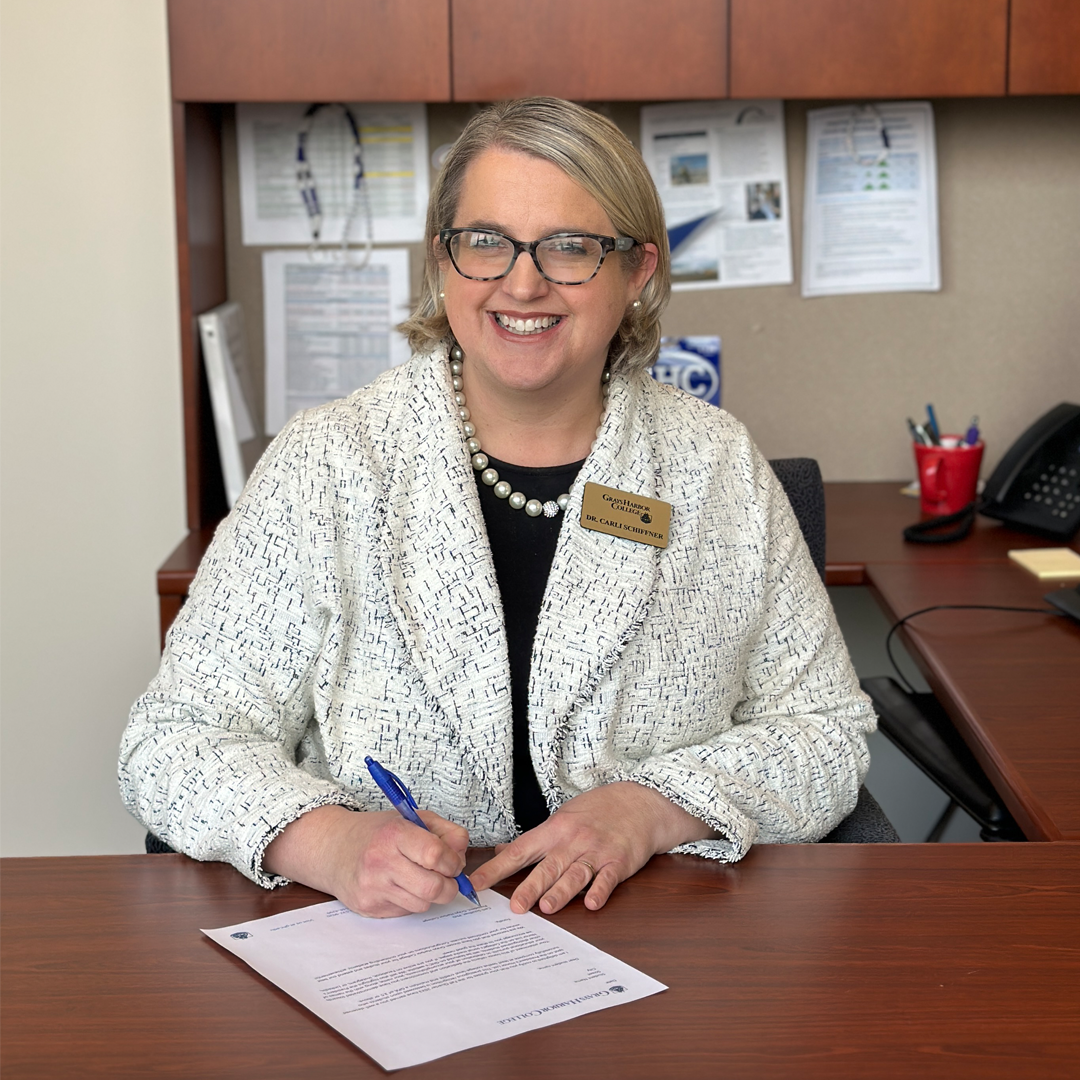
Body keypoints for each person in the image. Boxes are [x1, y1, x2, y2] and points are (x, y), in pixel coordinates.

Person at [119, 97, 874, 920]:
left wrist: (650, 808)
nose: (522, 282)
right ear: (444, 263)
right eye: (486, 242)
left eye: (571, 247)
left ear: (637, 272)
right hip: (394, 953)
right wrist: (330, 841)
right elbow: (170, 742)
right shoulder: (327, 464)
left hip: (659, 946)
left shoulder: (714, 468)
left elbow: (825, 731)